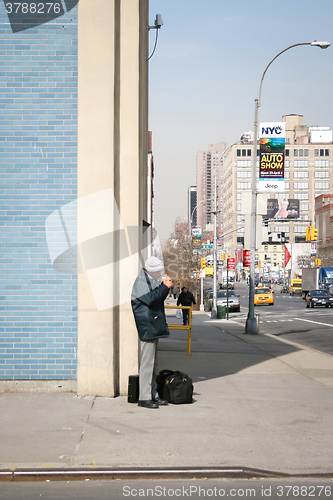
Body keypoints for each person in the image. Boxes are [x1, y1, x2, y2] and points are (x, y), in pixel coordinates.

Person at [131, 256, 172, 409]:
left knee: (152, 363)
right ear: (153, 271)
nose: (160, 273)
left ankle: (153, 394)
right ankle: (144, 397)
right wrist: (165, 286)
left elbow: (157, 296)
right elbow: (152, 298)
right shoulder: (142, 281)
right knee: (147, 363)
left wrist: (164, 286)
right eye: (159, 271)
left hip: (152, 324)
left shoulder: (148, 279)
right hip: (147, 325)